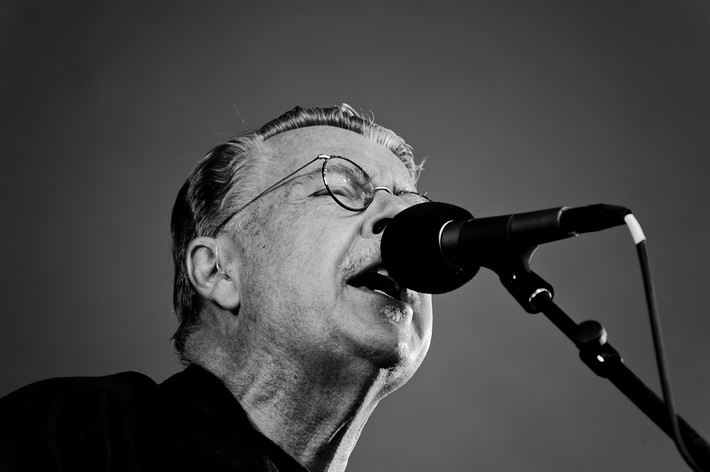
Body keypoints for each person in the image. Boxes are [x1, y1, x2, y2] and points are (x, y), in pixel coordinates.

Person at [0, 104, 434, 471]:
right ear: (217, 272)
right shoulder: (70, 434)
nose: (399, 221)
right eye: (338, 189)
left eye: (411, 208)